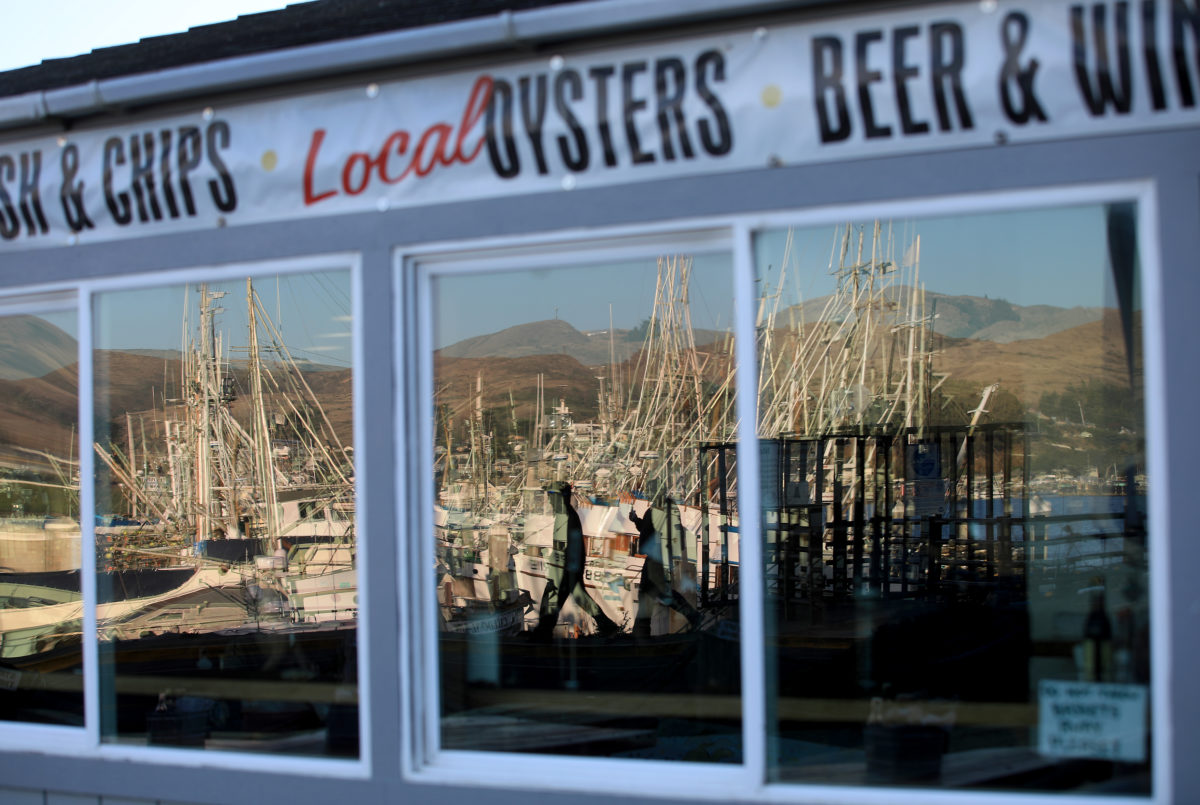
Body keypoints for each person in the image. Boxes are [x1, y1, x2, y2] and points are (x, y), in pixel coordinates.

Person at [531, 481, 621, 640]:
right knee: (575, 597)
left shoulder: (567, 517)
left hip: (563, 566)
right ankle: (607, 626)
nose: (549, 499)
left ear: (561, 497)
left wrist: (566, 570)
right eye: (549, 495)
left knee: (552, 598)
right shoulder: (564, 515)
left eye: (552, 495)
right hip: (564, 566)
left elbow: (570, 547)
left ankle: (544, 632)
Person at [629, 504, 700, 638]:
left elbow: (650, 531)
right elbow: (648, 528)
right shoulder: (664, 509)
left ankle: (642, 631)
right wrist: (636, 520)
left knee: (653, 590)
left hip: (656, 556)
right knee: (650, 591)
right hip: (658, 555)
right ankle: (641, 631)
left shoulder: (658, 510)